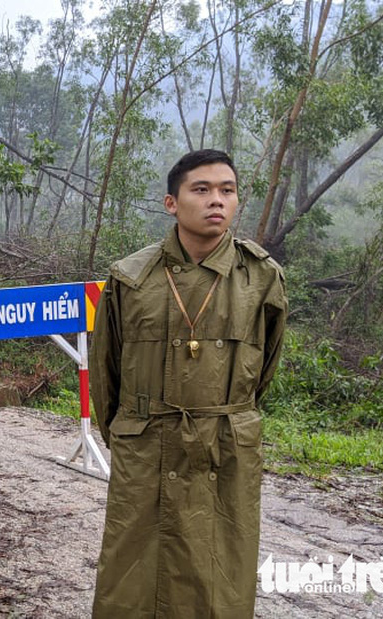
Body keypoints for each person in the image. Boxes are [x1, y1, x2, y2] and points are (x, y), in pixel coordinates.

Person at [88, 149, 287, 618]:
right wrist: (130, 434)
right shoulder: (130, 278)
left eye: (227, 190)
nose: (216, 200)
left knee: (220, 574)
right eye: (201, 190)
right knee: (133, 574)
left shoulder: (260, 279)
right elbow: (106, 377)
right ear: (171, 203)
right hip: (147, 445)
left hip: (225, 446)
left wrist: (224, 417)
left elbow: (265, 370)